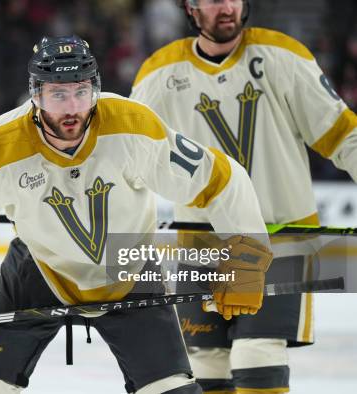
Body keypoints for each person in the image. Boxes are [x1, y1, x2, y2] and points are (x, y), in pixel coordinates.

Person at [0, 35, 274, 394]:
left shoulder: (133, 127)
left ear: (95, 90)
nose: (72, 108)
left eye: (81, 92)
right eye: (57, 95)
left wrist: (246, 252)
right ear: (35, 96)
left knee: (172, 390)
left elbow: (222, 179)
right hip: (40, 270)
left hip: (129, 270)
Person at [130, 1, 357, 393]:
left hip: (280, 239)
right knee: (203, 364)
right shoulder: (158, 74)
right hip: (199, 245)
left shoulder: (284, 57)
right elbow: (124, 157)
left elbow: (343, 136)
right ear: (190, 7)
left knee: (258, 352)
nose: (227, 7)